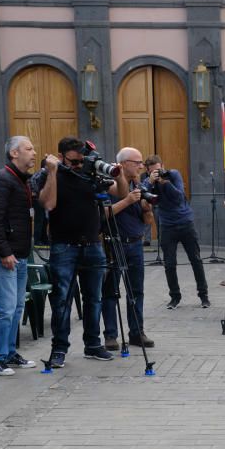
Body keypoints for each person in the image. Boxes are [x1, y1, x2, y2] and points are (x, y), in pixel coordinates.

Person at [38, 137, 130, 368]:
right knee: (62, 300)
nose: (79, 166)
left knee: (94, 298)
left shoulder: (91, 174)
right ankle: (59, 348)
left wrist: (118, 174)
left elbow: (120, 192)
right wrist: (51, 173)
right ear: (61, 157)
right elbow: (48, 204)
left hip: (93, 245)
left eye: (82, 161)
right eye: (74, 162)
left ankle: (93, 344)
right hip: (63, 246)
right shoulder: (51, 174)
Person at [0, 136, 40, 376]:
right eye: (29, 148)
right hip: (5, 255)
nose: (34, 153)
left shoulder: (22, 180)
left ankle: (8, 352)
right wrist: (4, 251)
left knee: (16, 307)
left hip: (21, 254)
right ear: (14, 153)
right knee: (4, 308)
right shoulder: (0, 180)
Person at [100, 147, 155, 350]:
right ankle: (111, 335)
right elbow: (103, 214)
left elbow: (148, 221)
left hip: (135, 243)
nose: (141, 166)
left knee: (137, 291)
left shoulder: (140, 185)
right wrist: (128, 200)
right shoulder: (109, 184)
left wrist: (147, 209)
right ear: (123, 164)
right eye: (137, 162)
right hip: (114, 243)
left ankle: (136, 332)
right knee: (110, 292)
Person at [144, 155, 210, 309]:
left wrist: (164, 182)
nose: (157, 173)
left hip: (185, 222)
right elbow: (143, 194)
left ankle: (204, 296)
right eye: (153, 172)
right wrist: (150, 183)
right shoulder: (147, 181)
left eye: (158, 170)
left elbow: (179, 196)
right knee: (169, 263)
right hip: (167, 225)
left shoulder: (173, 175)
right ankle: (175, 297)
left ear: (163, 166)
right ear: (148, 171)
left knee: (196, 260)